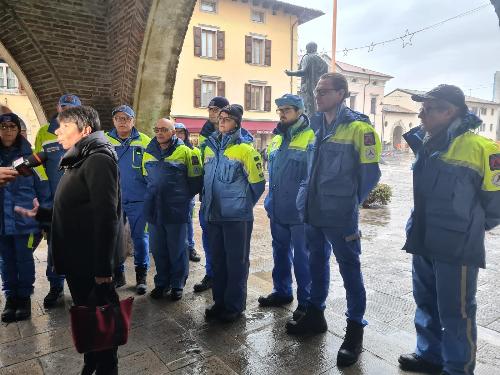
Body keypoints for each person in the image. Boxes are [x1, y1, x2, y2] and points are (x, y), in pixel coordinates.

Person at [398, 85, 500, 375]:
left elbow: (495, 204)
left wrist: (470, 228)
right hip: (423, 238)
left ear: (450, 111)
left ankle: (457, 369)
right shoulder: (427, 142)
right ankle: (429, 355)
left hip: (456, 246)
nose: (421, 113)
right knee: (426, 302)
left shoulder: (482, 149)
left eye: (429, 108)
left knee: (457, 313)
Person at [17, 106, 124, 374]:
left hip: (90, 261)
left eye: (64, 126)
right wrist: (41, 213)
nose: (56, 131)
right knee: (88, 318)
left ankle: (105, 368)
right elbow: (76, 207)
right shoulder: (79, 157)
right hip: (78, 256)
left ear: (85, 130)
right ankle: (91, 363)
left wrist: (102, 269)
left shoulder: (98, 159)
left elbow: (106, 216)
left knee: (100, 321)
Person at [287, 73, 381, 368]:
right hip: (313, 211)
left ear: (342, 93)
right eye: (316, 91)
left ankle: (354, 331)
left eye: (324, 91)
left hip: (340, 215)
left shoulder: (360, 129)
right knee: (316, 262)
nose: (318, 95)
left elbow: (370, 174)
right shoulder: (315, 126)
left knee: (350, 270)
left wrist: (348, 204)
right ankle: (316, 314)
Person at [202, 104, 265, 322]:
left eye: (227, 118)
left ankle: (234, 306)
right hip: (213, 215)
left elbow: (258, 184)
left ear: (236, 123)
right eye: (220, 117)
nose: (221, 121)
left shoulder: (246, 150)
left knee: (236, 263)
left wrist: (242, 205)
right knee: (218, 260)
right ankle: (220, 302)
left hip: (236, 218)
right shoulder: (209, 147)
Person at [258, 94, 314, 322]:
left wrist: (301, 205)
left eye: (287, 110)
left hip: (299, 213)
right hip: (278, 209)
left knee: (302, 258)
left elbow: (309, 178)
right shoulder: (277, 138)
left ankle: (306, 302)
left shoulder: (311, 137)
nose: (282, 114)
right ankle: (282, 291)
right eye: (280, 110)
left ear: (300, 111)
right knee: (279, 253)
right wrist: (270, 201)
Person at [142, 118, 202, 301]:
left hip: (176, 209)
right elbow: (146, 178)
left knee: (177, 249)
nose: (159, 133)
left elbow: (195, 181)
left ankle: (177, 284)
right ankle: (162, 283)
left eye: (164, 130)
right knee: (158, 249)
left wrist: (181, 198)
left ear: (173, 132)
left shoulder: (186, 152)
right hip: (154, 208)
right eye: (157, 129)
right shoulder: (148, 152)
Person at [0, 113, 51, 322]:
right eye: (3, 127)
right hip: (1, 221)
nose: (8, 130)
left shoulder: (31, 159)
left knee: (24, 259)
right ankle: (11, 298)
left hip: (25, 221)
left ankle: (24, 298)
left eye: (12, 126)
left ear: (19, 130)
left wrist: (45, 219)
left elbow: (44, 190)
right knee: (6, 260)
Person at [34, 93, 82, 308]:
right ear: (58, 107)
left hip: (80, 203)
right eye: (64, 107)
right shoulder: (45, 133)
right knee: (55, 247)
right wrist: (45, 201)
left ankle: (80, 286)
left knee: (81, 246)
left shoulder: (85, 131)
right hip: (54, 202)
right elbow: (38, 170)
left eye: (71, 108)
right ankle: (56, 287)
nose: (67, 111)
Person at [106, 105, 151, 294]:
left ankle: (141, 276)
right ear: (113, 121)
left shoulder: (145, 141)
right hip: (112, 199)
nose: (122, 121)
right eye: (118, 118)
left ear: (133, 121)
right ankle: (119, 274)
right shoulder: (104, 140)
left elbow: (152, 170)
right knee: (114, 239)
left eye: (126, 118)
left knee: (140, 238)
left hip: (139, 200)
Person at [193, 96, 229, 293]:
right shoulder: (205, 134)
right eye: (210, 109)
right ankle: (212, 274)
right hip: (208, 198)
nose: (211, 112)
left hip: (228, 201)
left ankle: (227, 277)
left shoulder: (240, 136)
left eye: (215, 109)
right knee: (209, 239)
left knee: (228, 244)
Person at [175, 122, 201, 263]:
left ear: (186, 134)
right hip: (170, 196)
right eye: (176, 132)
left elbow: (197, 176)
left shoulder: (193, 151)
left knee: (187, 222)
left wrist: (190, 193)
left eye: (181, 132)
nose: (178, 135)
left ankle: (190, 247)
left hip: (186, 195)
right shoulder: (165, 150)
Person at [285, 42, 329, 116]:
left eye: (307, 48)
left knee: (308, 110)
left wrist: (291, 73)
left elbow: (303, 72)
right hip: (319, 89)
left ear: (308, 48)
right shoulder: (322, 61)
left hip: (308, 89)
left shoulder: (307, 57)